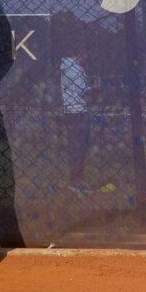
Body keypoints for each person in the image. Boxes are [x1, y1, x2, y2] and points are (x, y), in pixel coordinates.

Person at [59, 49, 92, 193]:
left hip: (71, 111)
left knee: (76, 146)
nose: (87, 59)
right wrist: (95, 88)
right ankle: (76, 180)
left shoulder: (66, 66)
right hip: (79, 111)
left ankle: (76, 178)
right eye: (86, 55)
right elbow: (82, 91)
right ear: (80, 54)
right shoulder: (75, 69)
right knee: (80, 147)